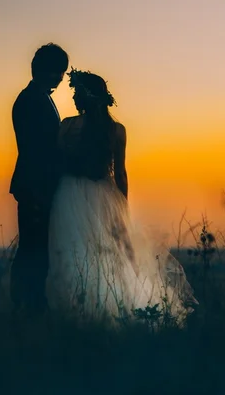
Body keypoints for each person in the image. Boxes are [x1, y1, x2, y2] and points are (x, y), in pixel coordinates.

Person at [46, 68, 197, 327]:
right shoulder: (116, 130)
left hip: (69, 194)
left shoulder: (68, 126)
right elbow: (121, 174)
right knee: (103, 253)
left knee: (73, 253)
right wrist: (122, 207)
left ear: (88, 96)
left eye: (76, 92)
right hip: (103, 195)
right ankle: (101, 310)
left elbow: (57, 163)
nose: (73, 98)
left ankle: (79, 314)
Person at [9, 43, 69, 315]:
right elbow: (39, 149)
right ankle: (27, 303)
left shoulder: (39, 97)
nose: (61, 78)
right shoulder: (32, 100)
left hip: (38, 184)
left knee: (36, 247)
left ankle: (30, 302)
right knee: (33, 249)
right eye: (59, 72)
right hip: (35, 185)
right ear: (48, 70)